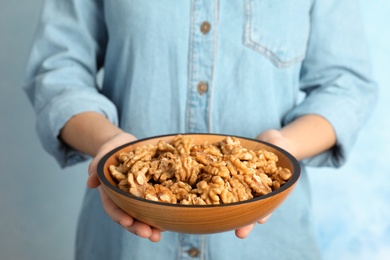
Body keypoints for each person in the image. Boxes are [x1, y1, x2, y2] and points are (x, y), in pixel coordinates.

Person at [23, 0, 377, 259]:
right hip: (124, 243)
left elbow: (346, 83)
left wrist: (283, 149)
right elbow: (58, 70)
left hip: (270, 245)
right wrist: (111, 146)